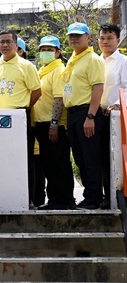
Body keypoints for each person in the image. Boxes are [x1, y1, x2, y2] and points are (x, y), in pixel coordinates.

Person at [0, 30, 41, 207]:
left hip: (19, 117)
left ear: (16, 45)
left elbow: (36, 91)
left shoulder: (26, 66)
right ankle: (3, 198)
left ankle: (29, 198)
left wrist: (24, 108)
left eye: (9, 41)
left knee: (25, 159)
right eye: (2, 42)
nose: (5, 45)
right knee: (0, 159)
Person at [63, 22, 106, 210]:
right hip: (73, 114)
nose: (74, 39)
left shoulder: (93, 59)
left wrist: (91, 116)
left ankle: (94, 197)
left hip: (86, 112)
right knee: (80, 158)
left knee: (90, 157)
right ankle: (89, 195)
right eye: (71, 35)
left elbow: (98, 88)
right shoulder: (73, 59)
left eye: (78, 36)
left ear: (88, 38)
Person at [33, 36, 75, 210]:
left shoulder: (58, 70)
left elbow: (59, 97)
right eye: (43, 49)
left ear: (58, 52)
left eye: (50, 50)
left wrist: (54, 124)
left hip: (54, 124)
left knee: (59, 163)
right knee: (48, 164)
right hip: (41, 123)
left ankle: (65, 200)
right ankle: (54, 199)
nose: (46, 53)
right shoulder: (43, 70)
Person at [97, 23, 127, 209]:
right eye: (102, 38)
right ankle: (100, 196)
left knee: (111, 157)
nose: (105, 42)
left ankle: (112, 198)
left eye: (109, 38)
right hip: (95, 114)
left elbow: (125, 87)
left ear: (118, 40)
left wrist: (116, 104)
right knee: (97, 157)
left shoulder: (123, 61)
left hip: (113, 115)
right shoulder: (95, 60)